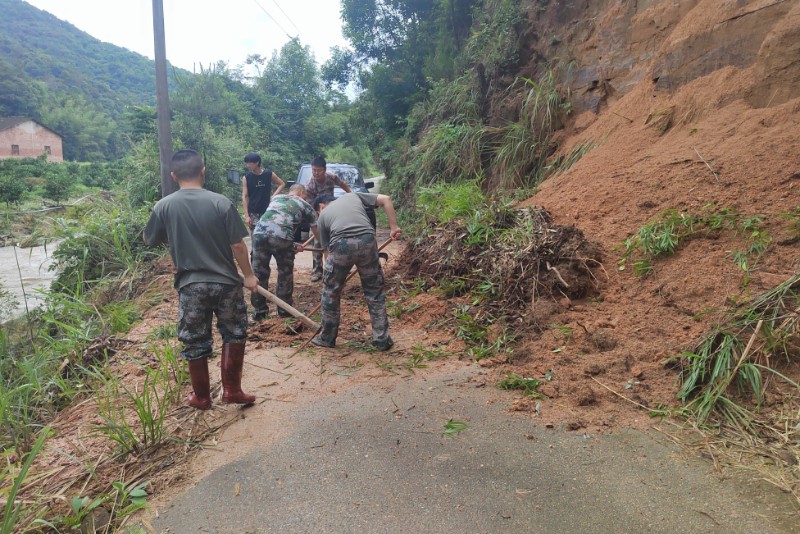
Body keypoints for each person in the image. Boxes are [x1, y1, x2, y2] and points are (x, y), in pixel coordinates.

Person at [144, 149, 258, 410]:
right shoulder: (220, 203)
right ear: (203, 171)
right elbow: (238, 245)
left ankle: (202, 397)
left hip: (191, 285)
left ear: (174, 176)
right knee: (234, 333)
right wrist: (249, 276)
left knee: (194, 339)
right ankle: (232, 390)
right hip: (227, 283)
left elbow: (149, 239)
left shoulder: (164, 206)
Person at [311, 192, 401, 351]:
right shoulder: (352, 196)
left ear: (320, 208)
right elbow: (386, 199)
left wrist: (335, 278)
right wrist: (394, 227)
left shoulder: (322, 217)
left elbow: (327, 254)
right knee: (374, 291)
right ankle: (381, 339)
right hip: (367, 239)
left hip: (340, 243)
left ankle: (327, 338)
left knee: (330, 292)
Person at [250, 184, 320, 321]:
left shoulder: (276, 198)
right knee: (285, 272)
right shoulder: (305, 205)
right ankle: (284, 310)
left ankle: (259, 312)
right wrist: (323, 245)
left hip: (258, 234)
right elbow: (316, 229)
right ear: (301, 192)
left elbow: (274, 225)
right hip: (282, 237)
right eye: (305, 195)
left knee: (259, 273)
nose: (306, 198)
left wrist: (292, 245)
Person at [305, 156, 351, 281]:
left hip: (332, 211)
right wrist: (317, 222)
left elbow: (342, 184)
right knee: (317, 242)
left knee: (337, 239)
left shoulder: (331, 177)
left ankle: (340, 266)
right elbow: (310, 207)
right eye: (313, 170)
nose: (316, 173)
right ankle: (317, 271)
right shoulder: (310, 184)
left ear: (324, 170)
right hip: (317, 215)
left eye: (318, 170)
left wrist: (351, 195)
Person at [242, 152, 285, 232]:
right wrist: (247, 216)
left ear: (257, 162)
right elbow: (244, 196)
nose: (248, 165)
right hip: (253, 211)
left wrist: (273, 196)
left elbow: (282, 184)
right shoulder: (246, 177)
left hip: (267, 210)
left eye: (249, 163)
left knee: (269, 233)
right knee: (255, 235)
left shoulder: (268, 174)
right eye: (247, 163)